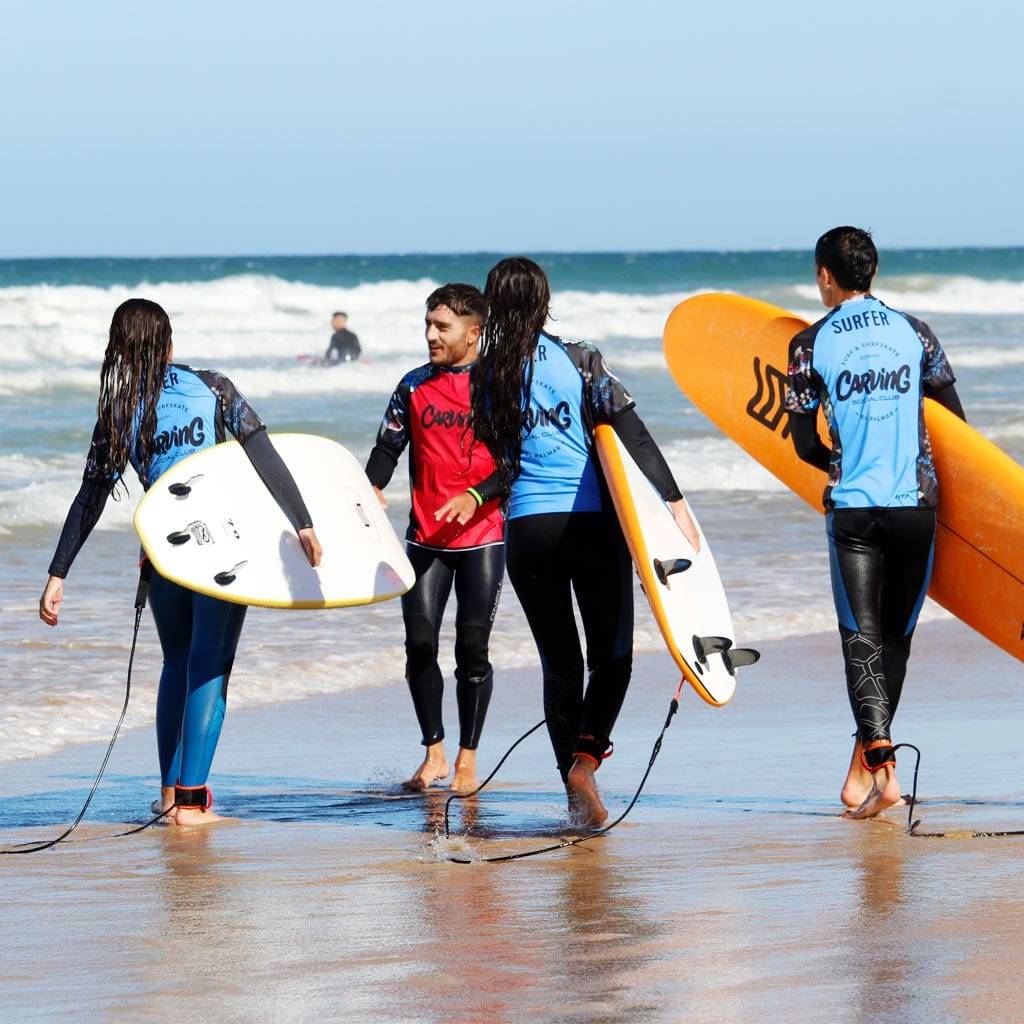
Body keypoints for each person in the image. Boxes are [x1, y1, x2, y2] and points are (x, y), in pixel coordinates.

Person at [39, 298, 323, 827]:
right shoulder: (212, 386)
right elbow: (264, 455)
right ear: (168, 342)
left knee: (176, 663)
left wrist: (58, 573)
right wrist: (302, 521)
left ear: (119, 350)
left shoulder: (120, 408)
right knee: (209, 663)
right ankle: (191, 806)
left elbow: (90, 496)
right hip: (222, 549)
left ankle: (170, 794)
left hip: (163, 553)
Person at [469, 257, 700, 828]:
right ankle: (586, 762)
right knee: (614, 657)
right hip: (591, 521)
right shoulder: (579, 358)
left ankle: (573, 794)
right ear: (545, 302)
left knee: (560, 666)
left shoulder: (484, 374)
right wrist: (673, 502)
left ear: (494, 307)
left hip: (525, 530)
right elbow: (629, 429)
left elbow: (500, 455)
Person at [785, 226, 965, 819]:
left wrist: (840, 463)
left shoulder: (809, 343)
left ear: (824, 277)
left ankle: (882, 772)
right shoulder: (917, 333)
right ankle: (862, 778)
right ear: (875, 271)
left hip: (854, 511)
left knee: (860, 642)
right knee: (894, 640)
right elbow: (954, 429)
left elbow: (803, 442)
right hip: (915, 507)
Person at [366, 283, 504, 794]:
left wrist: (475, 495)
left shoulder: (498, 387)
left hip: (484, 537)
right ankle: (434, 753)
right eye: (428, 324)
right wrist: (370, 488)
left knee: (472, 649)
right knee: (419, 644)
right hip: (425, 539)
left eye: (442, 327)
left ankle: (468, 758)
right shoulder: (413, 386)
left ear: (474, 332)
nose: (430, 335)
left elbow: (516, 464)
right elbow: (386, 449)